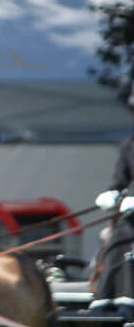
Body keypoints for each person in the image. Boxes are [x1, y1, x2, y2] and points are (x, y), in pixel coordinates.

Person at [90, 133, 134, 317]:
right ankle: (106, 299)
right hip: (131, 215)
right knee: (116, 239)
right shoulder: (130, 144)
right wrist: (113, 192)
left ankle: (128, 301)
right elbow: (121, 179)